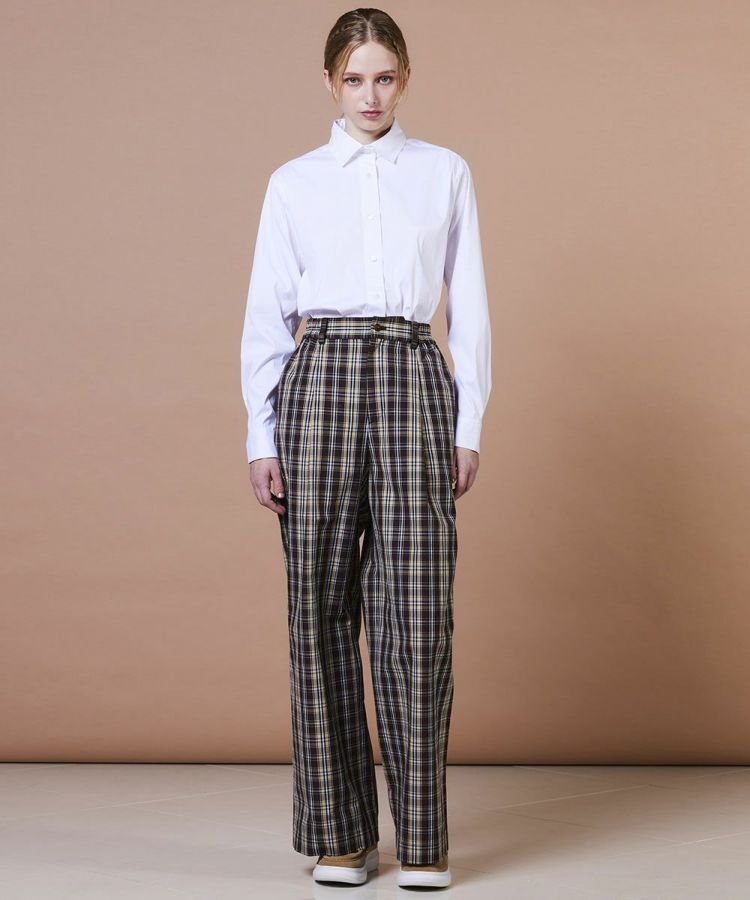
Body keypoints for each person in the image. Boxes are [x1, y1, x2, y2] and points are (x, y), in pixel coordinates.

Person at [240, 7, 491, 890]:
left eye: (384, 77)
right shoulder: (293, 183)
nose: (370, 95)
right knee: (317, 608)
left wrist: (467, 424)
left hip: (414, 373)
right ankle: (342, 836)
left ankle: (421, 839)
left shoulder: (444, 172)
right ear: (330, 81)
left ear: (405, 78)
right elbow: (267, 316)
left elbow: (469, 304)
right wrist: (260, 435)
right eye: (354, 78)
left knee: (417, 610)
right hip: (319, 379)